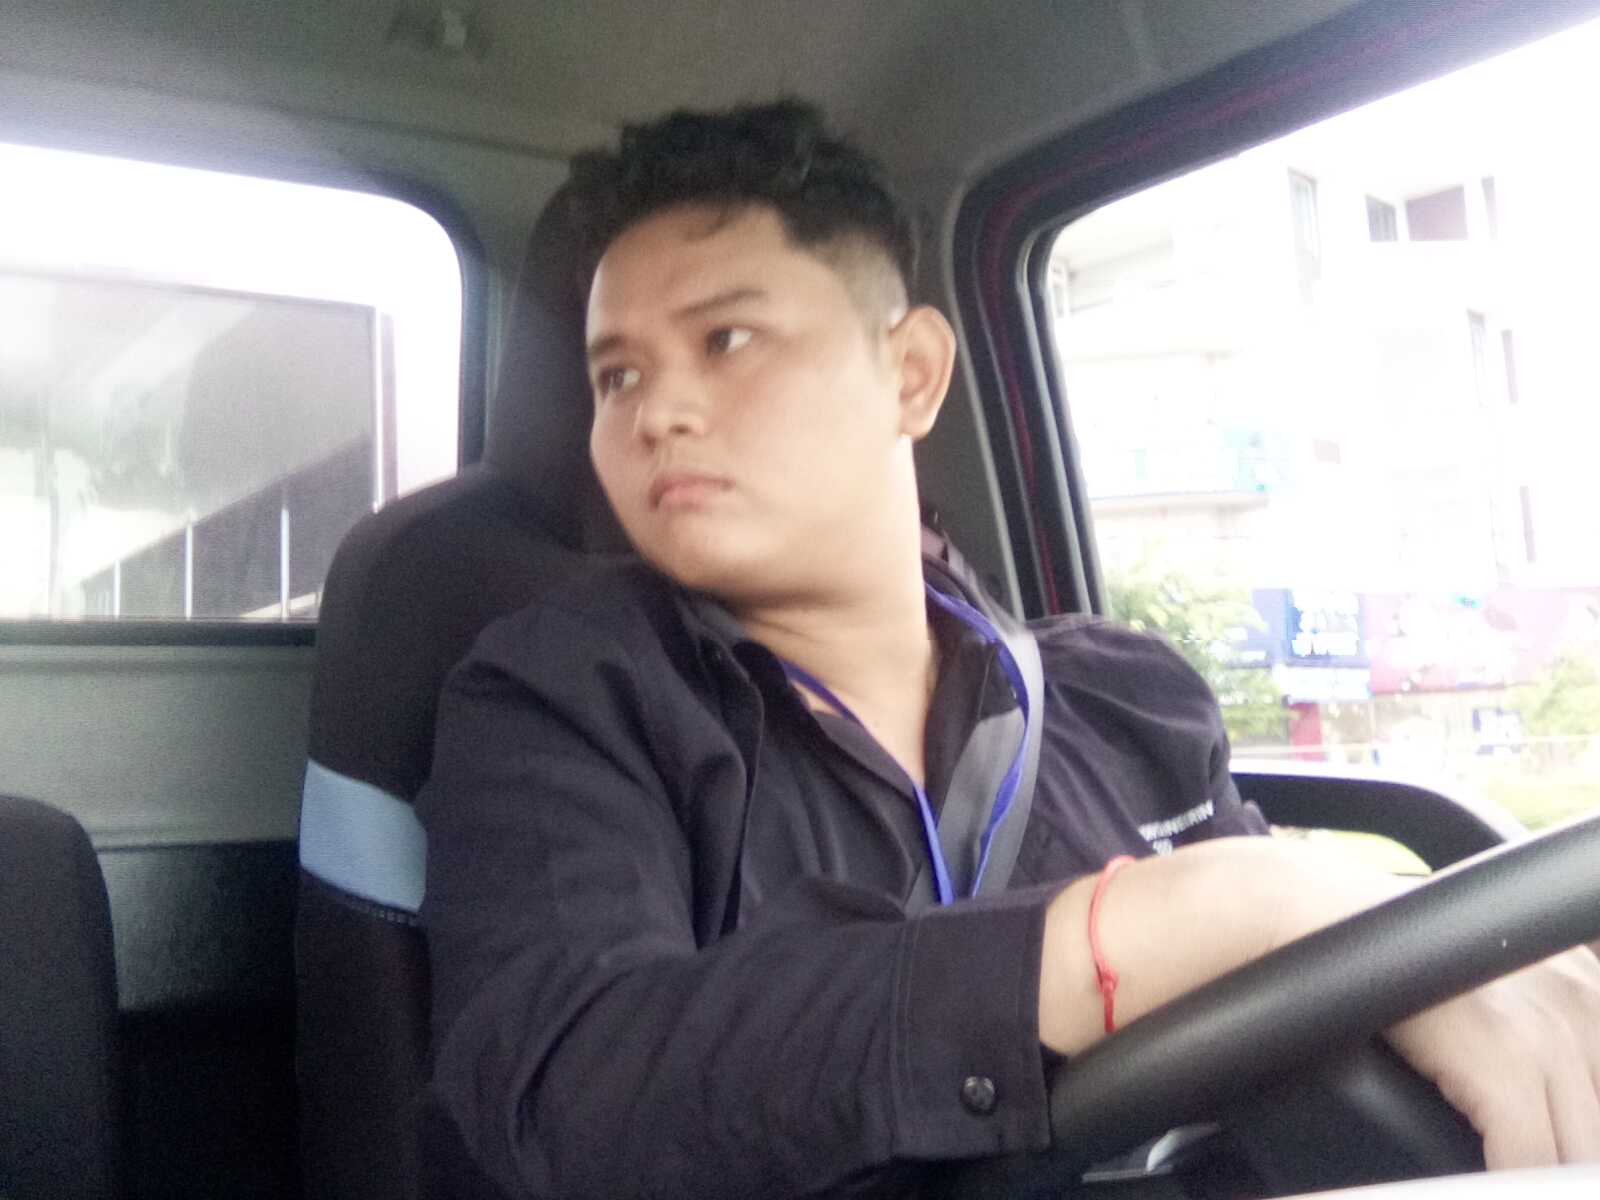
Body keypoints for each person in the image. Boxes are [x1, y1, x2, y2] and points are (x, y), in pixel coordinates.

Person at [417, 100, 1600, 1200]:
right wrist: (1189, 915)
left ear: (911, 374)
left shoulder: (1128, 697)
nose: (653, 412)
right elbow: (571, 1085)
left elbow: (1296, 1018)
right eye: (616, 374)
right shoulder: (560, 695)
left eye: (726, 339)